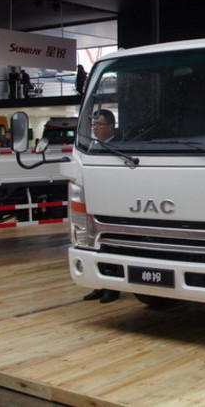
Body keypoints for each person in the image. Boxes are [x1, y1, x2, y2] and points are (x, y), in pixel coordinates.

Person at [81, 108, 121, 304]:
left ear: (111, 126)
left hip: (114, 204)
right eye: (93, 125)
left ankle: (112, 288)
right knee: (97, 245)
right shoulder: (92, 147)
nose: (95, 129)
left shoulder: (119, 147)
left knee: (112, 247)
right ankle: (99, 285)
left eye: (99, 125)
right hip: (97, 202)